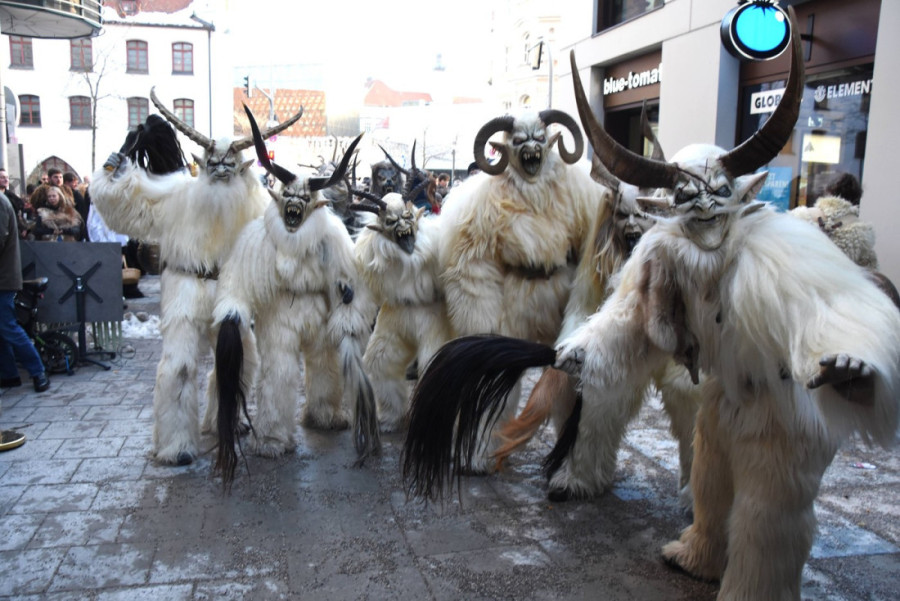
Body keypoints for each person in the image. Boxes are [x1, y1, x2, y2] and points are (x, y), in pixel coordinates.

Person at [0, 191, 50, 394]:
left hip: (3, 280)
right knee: (3, 329)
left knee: (9, 327)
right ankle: (9, 375)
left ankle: (38, 371)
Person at [87, 202, 144, 298]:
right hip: (105, 242)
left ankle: (124, 291)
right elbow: (94, 225)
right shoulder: (96, 206)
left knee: (121, 266)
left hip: (116, 240)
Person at [0, 169, 31, 241]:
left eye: (7, 177)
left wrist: (22, 227)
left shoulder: (13, 197)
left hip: (12, 231)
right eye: (2, 177)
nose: (6, 180)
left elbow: (17, 215)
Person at [63, 172, 89, 239]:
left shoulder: (76, 194)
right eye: (73, 182)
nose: (76, 184)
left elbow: (82, 210)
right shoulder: (70, 193)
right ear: (66, 182)